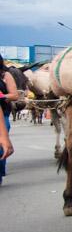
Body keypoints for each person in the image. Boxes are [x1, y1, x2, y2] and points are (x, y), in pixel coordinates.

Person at [0, 54, 20, 185]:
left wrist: (3, 96)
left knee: (1, 146)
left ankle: (0, 171)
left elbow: (15, 95)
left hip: (4, 113)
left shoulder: (5, 75)